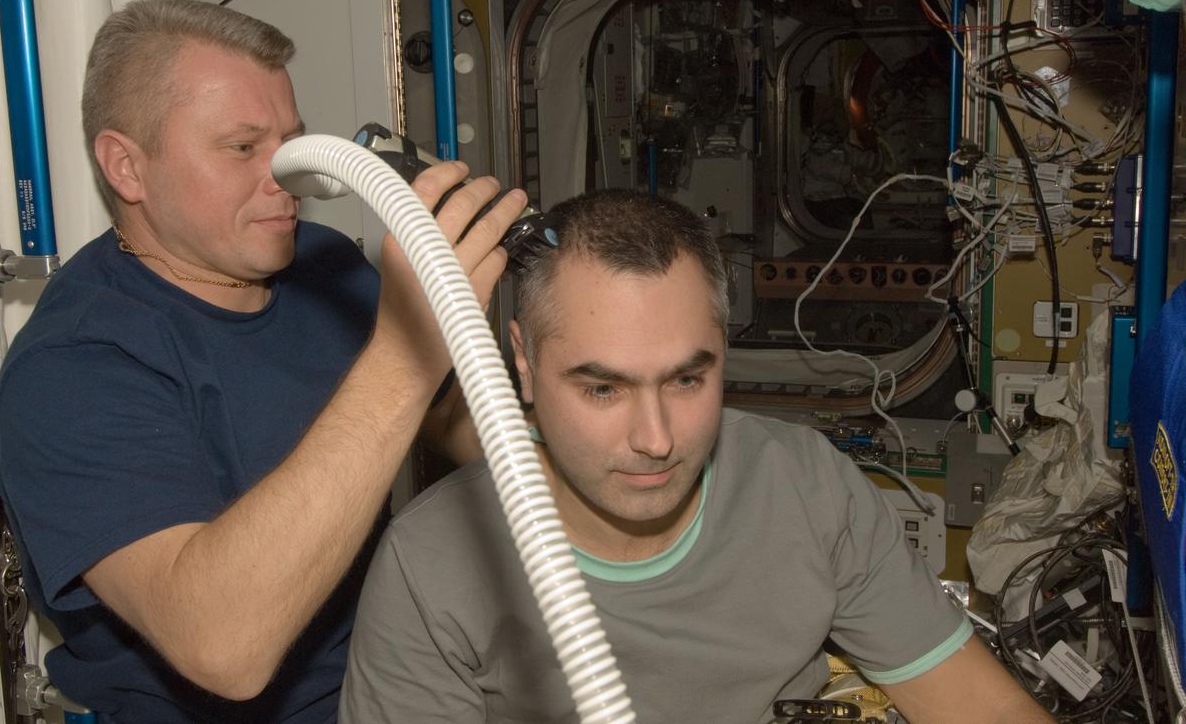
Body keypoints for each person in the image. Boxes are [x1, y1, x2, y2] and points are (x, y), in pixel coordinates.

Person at [0, 0, 525, 722]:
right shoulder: (72, 369)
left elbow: (458, 418)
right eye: (243, 148)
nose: (287, 176)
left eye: (290, 142)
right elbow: (224, 647)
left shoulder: (323, 264)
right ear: (127, 167)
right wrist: (404, 353)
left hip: (397, 679)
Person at [339, 189, 1055, 724]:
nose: (655, 438)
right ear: (522, 362)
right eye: (601, 388)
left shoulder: (803, 487)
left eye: (688, 379)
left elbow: (980, 707)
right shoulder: (430, 567)